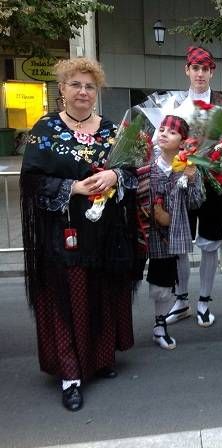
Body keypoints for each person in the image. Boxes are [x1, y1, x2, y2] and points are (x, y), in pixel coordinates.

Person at [20, 57, 139, 411]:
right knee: (68, 299)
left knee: (102, 292)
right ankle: (71, 373)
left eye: (89, 86)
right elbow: (31, 181)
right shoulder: (45, 129)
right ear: (62, 89)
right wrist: (72, 187)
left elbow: (133, 170)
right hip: (65, 232)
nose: (83, 92)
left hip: (105, 232)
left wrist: (114, 177)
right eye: (76, 85)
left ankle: (100, 359)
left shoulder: (112, 130)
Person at [163, 46, 222, 328]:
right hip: (182, 180)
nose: (199, 73)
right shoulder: (173, 105)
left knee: (210, 244)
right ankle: (181, 299)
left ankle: (204, 301)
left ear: (212, 72)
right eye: (195, 68)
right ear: (187, 70)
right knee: (181, 242)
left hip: (213, 183)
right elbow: (164, 140)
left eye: (204, 69)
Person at [147, 115, 203, 350]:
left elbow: (197, 201)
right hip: (143, 231)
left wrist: (191, 180)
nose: (163, 134)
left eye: (171, 132)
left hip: (168, 235)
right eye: (161, 129)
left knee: (162, 283)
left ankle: (159, 326)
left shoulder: (188, 168)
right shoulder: (145, 164)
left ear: (182, 141)